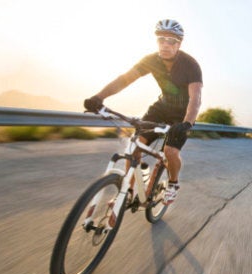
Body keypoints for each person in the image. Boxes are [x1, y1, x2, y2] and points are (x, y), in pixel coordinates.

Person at [84, 19, 203, 205]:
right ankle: (128, 192)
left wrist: (186, 124)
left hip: (183, 114)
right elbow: (124, 80)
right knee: (135, 145)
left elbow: (195, 99)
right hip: (162, 108)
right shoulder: (151, 60)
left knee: (171, 151)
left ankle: (172, 184)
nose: (165, 44)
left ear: (179, 43)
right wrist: (98, 98)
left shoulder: (190, 65)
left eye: (171, 41)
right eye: (161, 39)